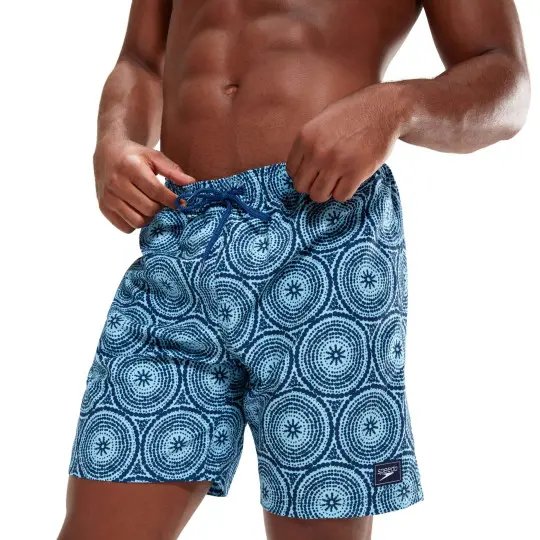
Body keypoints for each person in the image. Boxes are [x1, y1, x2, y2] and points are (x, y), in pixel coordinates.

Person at [58, 1, 530, 539]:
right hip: (180, 234)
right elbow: (141, 59)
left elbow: (505, 79)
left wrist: (397, 106)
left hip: (325, 242)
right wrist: (115, 141)